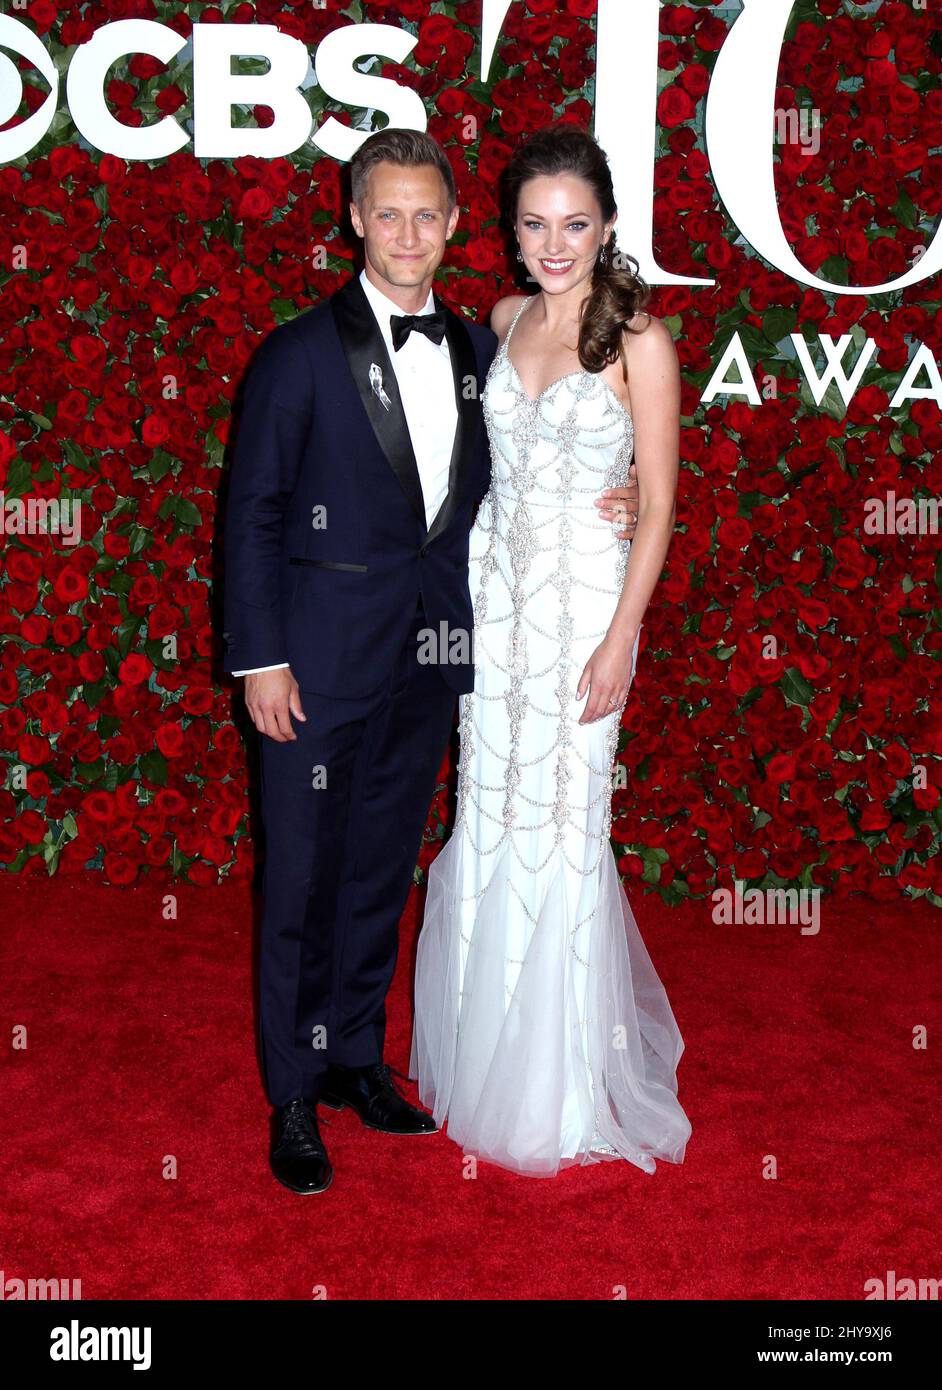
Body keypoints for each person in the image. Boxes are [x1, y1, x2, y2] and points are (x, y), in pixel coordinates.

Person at [222, 127, 641, 1194]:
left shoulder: (477, 348)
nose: (408, 233)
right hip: (311, 668)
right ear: (356, 220)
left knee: (376, 873)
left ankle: (356, 1058)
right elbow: (253, 514)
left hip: (437, 657)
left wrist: (628, 495)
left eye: (428, 214)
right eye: (387, 213)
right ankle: (291, 1091)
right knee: (299, 880)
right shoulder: (295, 354)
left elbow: (530, 470)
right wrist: (260, 658)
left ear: (456, 228)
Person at [410, 126, 693, 1177]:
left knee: (566, 822)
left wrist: (624, 634)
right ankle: (482, 1064)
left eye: (575, 223)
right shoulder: (499, 318)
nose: (555, 241)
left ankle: (562, 1088)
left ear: (609, 225)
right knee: (485, 811)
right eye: (535, 224)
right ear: (513, 233)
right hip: (493, 605)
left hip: (584, 613)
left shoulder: (643, 342)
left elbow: (659, 504)